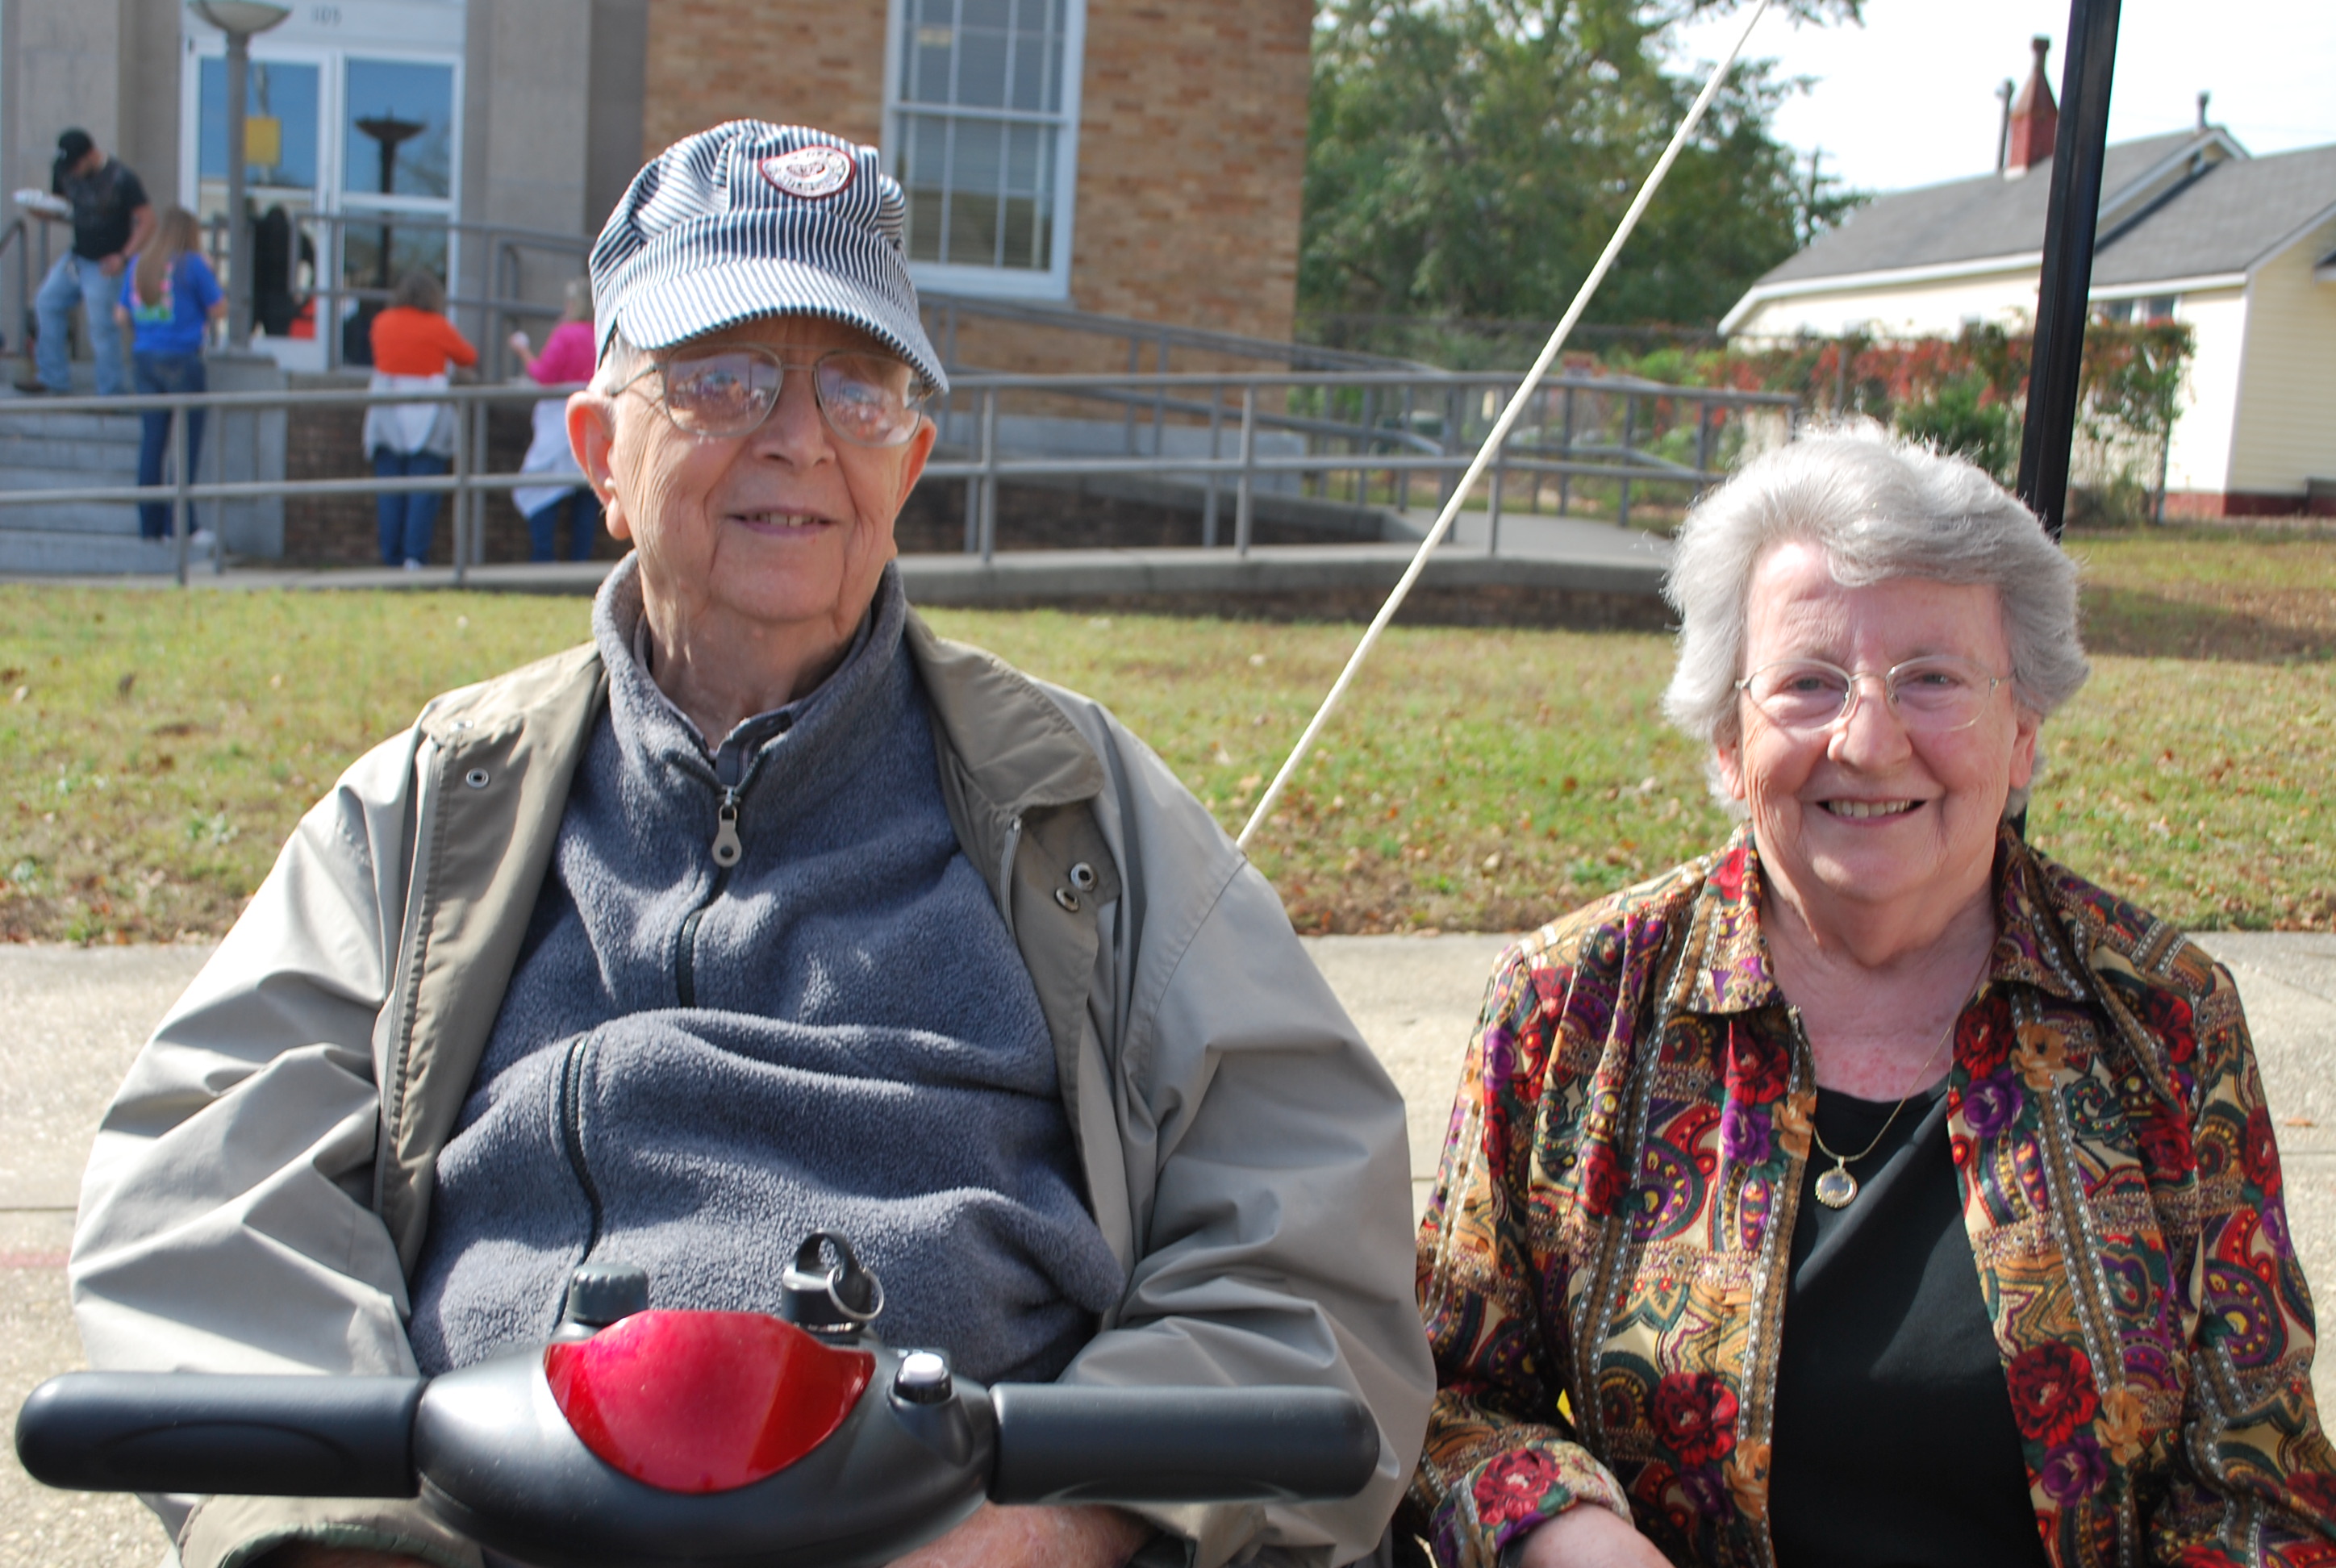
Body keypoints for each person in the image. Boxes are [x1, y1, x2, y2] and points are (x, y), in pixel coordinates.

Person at [71, 122, 1432, 1568]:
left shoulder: (1083, 812)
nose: (798, 434)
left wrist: (1052, 1532)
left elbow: (1307, 1262)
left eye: (856, 384)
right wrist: (348, 1540)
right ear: (600, 450)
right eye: (723, 375)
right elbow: (209, 1190)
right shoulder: (434, 808)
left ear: (907, 461)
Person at [1404, 424, 2336, 1568]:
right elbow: (1439, 1397)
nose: (1868, 738)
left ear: (2025, 731)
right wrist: (1560, 1528)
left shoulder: (2162, 1020)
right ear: (1728, 741)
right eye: (1809, 682)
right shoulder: (1571, 1013)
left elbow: (2261, 1492)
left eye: (1931, 680)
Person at [114, 205, 226, 542]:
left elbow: (120, 315)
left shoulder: (139, 264)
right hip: (182, 357)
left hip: (145, 358)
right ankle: (184, 526)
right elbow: (219, 308)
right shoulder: (192, 265)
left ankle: (150, 526)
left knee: (153, 443)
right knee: (187, 446)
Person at [22, 127, 152, 396]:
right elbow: (65, 210)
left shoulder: (121, 178)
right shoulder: (64, 171)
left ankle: (112, 392)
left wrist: (124, 257)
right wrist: (42, 212)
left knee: (102, 325)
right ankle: (52, 377)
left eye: (77, 165)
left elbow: (148, 220)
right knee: (46, 301)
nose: (73, 172)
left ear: (91, 155)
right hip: (77, 256)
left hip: (107, 262)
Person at [363, 268, 478, 569]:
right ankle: (414, 558)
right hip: (430, 413)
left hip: (386, 411)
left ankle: (391, 558)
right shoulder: (438, 326)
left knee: (389, 491)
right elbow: (468, 357)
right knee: (423, 492)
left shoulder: (382, 323)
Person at [507, 277, 600, 561]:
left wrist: (522, 350)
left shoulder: (566, 334)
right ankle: (580, 561)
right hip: (594, 421)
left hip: (559, 423)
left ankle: (543, 558)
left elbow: (544, 375)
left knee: (541, 488)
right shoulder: (601, 334)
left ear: (573, 304)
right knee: (588, 493)